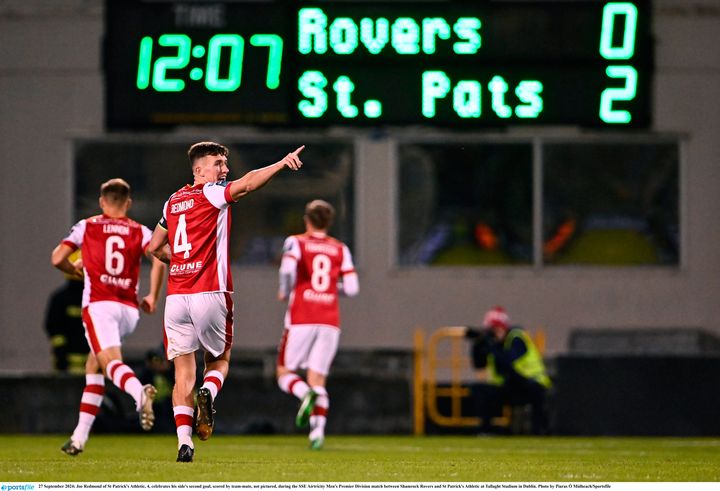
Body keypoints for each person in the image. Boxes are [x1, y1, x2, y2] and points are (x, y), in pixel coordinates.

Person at [147, 141, 304, 463]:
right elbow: (246, 185)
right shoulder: (211, 193)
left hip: (176, 298)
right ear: (199, 170)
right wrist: (280, 163)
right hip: (209, 292)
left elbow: (153, 246)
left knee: (182, 374)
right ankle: (210, 392)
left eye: (224, 163)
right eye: (218, 163)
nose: (224, 169)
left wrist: (177, 262)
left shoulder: (172, 201)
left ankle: (183, 442)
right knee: (218, 362)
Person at [51, 178, 167, 455]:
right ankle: (79, 438)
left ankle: (139, 394)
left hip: (99, 305)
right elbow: (160, 257)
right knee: (95, 366)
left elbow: (57, 258)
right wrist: (152, 295)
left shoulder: (87, 226)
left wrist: (75, 268)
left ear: (102, 202)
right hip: (128, 310)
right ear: (128, 203)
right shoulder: (139, 230)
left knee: (110, 362)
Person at [276, 199, 359, 450]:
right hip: (329, 320)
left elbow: (288, 269)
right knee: (318, 379)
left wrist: (285, 290)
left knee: (284, 373)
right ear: (329, 222)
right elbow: (353, 289)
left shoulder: (296, 242)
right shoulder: (340, 248)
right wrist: (332, 290)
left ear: (307, 219)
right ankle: (317, 434)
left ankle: (304, 395)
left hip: (302, 315)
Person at [465, 306, 551, 435]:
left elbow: (508, 361)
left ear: (502, 328)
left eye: (494, 329)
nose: (492, 333)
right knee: (480, 390)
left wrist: (492, 345)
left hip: (530, 383)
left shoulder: (517, 338)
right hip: (508, 386)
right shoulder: (493, 343)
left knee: (535, 392)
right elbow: (479, 365)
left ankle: (538, 431)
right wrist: (478, 344)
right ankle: (486, 431)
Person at [44, 250, 89, 374]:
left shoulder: (59, 298)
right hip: (76, 366)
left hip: (70, 366)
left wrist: (60, 353)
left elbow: (52, 327)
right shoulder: (95, 300)